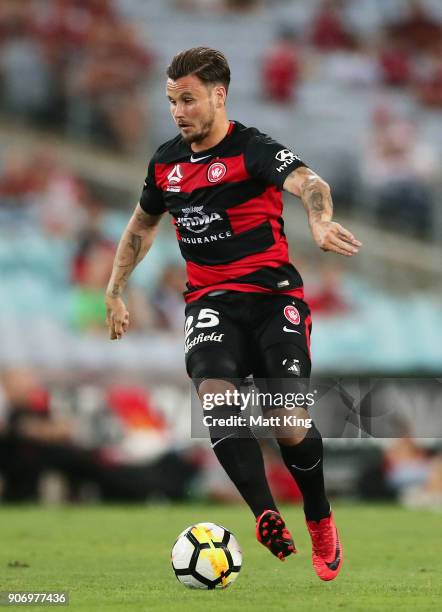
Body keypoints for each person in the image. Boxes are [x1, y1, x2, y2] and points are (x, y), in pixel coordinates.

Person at [105, 47, 361, 581]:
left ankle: (318, 517)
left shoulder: (254, 149)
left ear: (219, 96)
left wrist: (317, 223)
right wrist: (115, 290)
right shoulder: (165, 163)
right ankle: (264, 512)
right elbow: (140, 226)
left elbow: (312, 184)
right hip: (209, 301)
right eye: (172, 100)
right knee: (216, 397)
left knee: (286, 422)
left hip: (274, 300)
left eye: (189, 99)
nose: (179, 111)